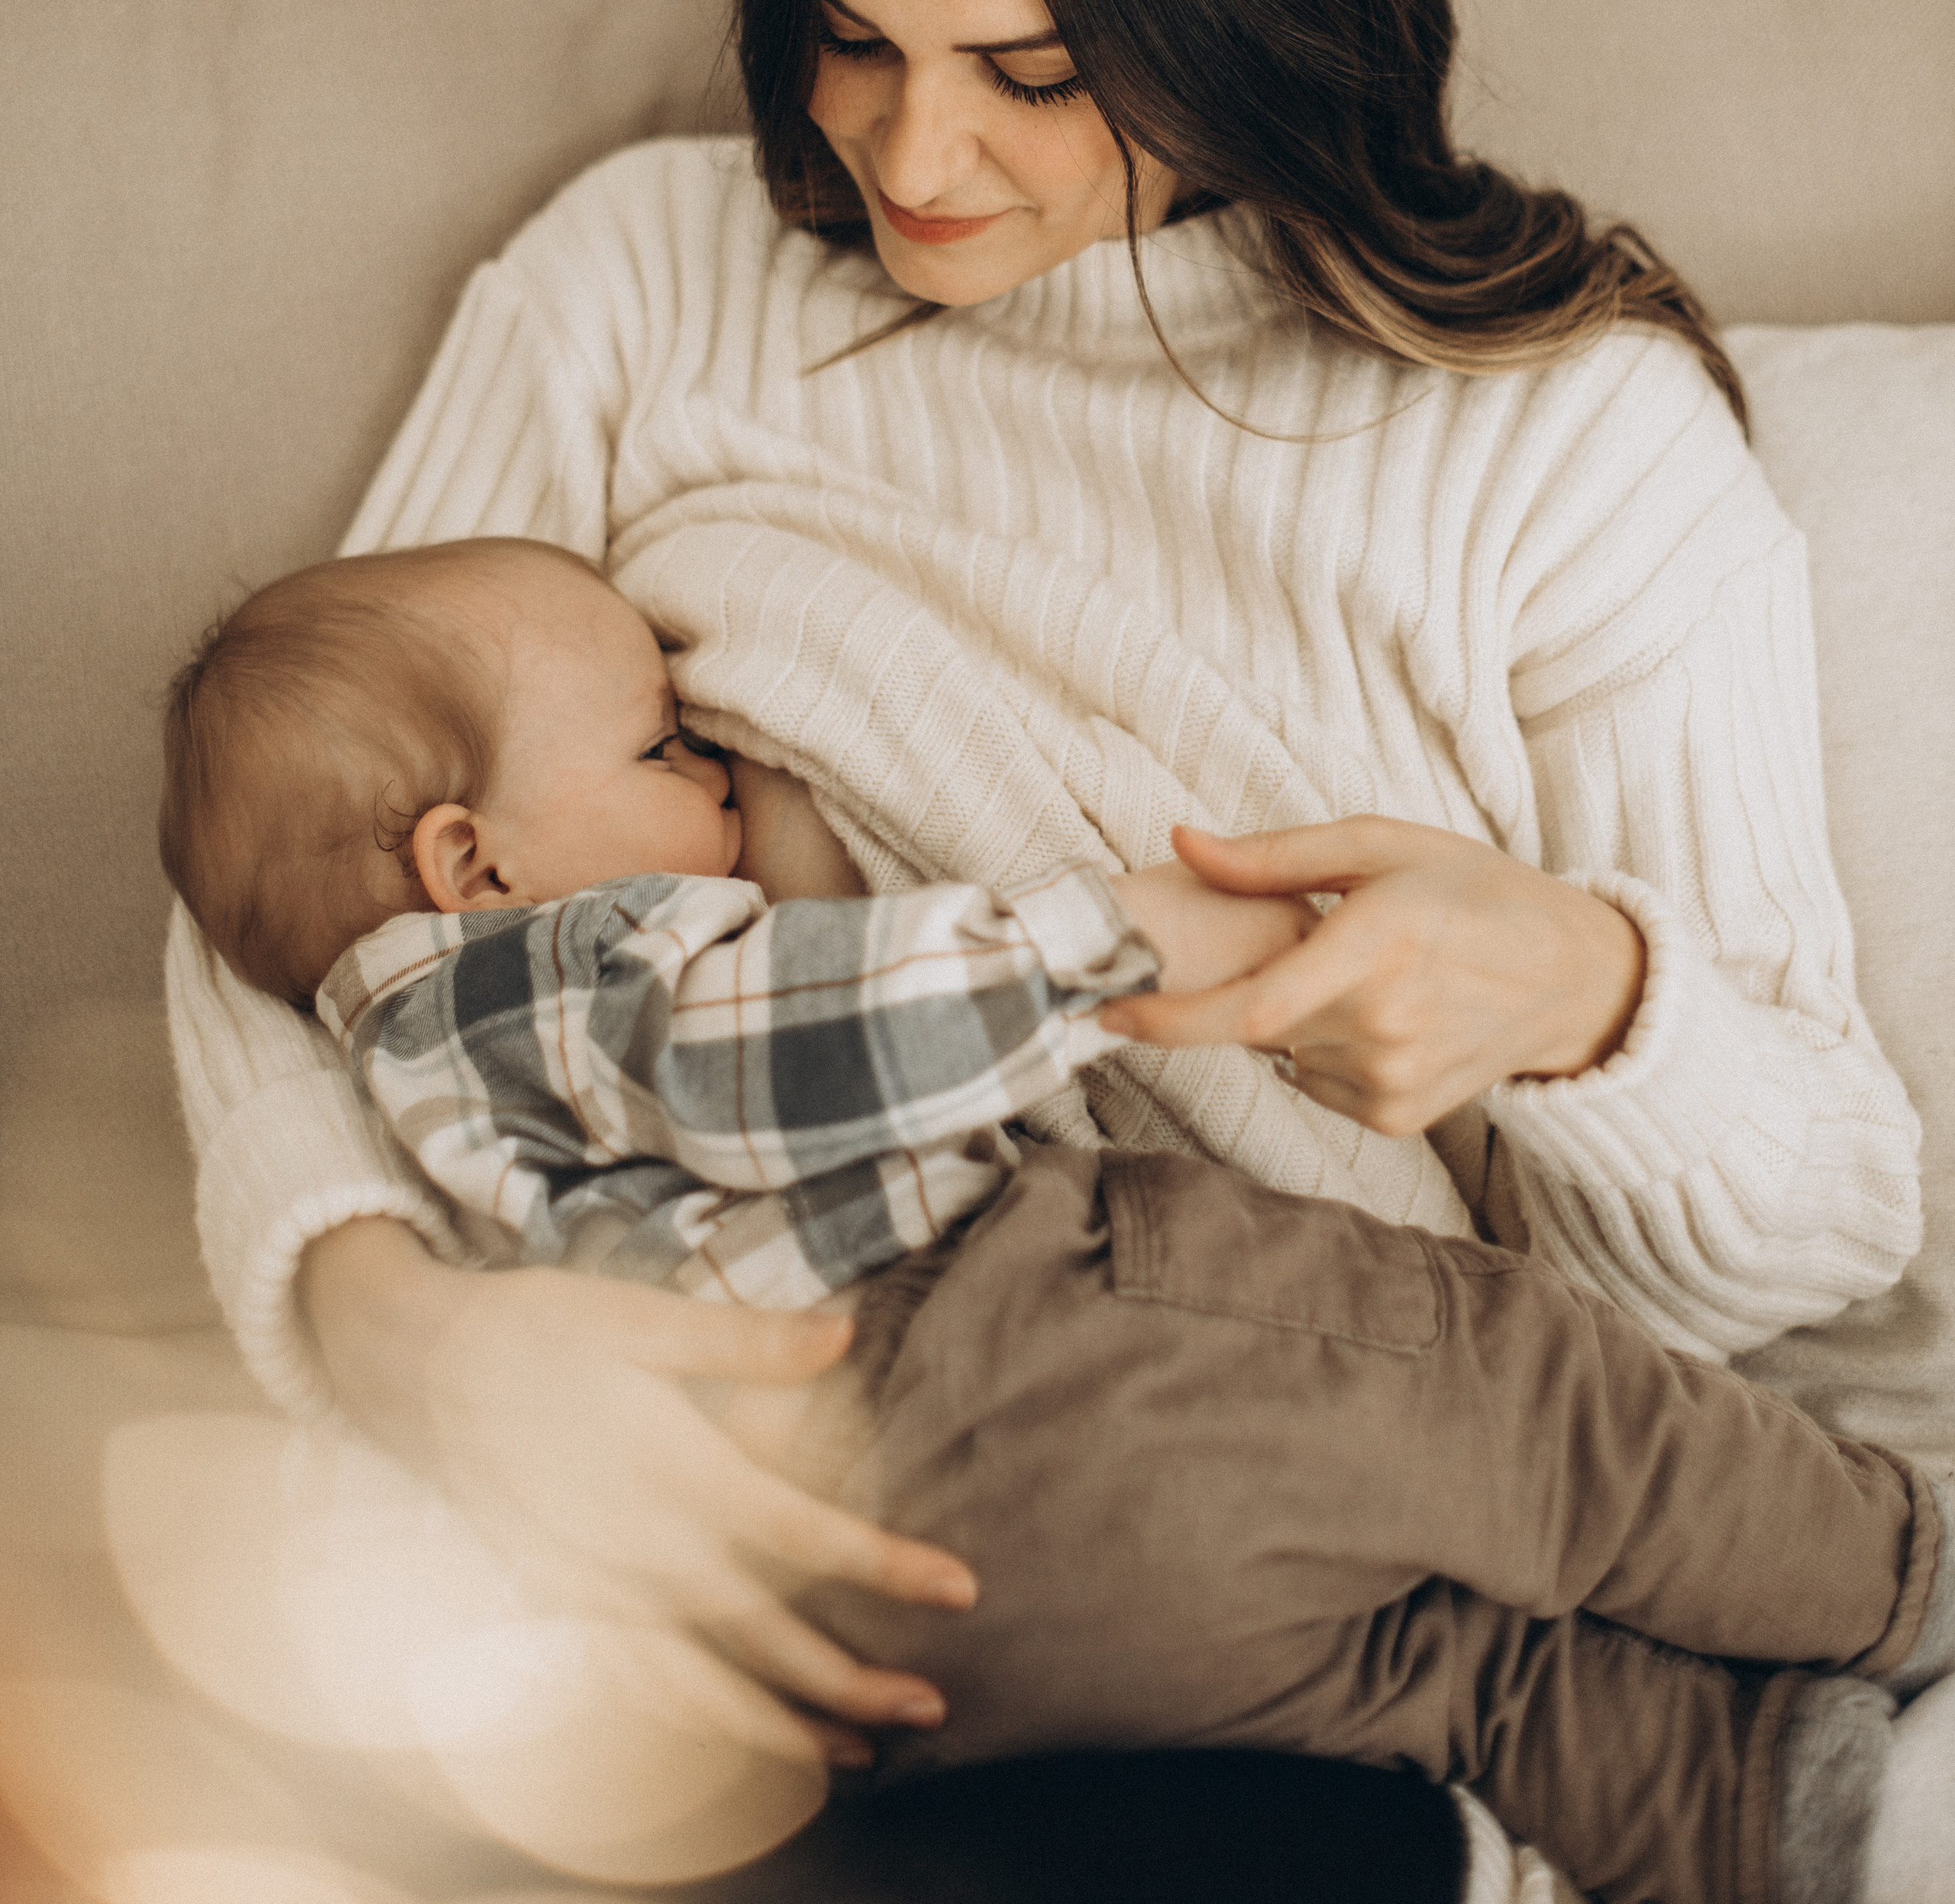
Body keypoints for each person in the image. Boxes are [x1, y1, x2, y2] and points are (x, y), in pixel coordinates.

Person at [163, 0, 1922, 1852]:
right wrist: (411, 1338)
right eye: (848, 38)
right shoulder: (644, 284)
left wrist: (1579, 996)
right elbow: (305, 872)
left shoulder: (1561, 444)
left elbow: (1820, 1225)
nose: (915, 154)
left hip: (1262, 1510)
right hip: (692, 1461)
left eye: (1035, 69)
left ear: (1238, 13)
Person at [157, 531, 1955, 1904]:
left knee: (1430, 1679)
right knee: (1512, 1393)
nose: (711, 769)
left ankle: (1763, 1813)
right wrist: (1109, 940)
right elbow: (776, 1049)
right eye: (660, 742)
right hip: (1009, 1370)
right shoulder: (556, 972)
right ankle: (1896, 1576)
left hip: (907, 1628)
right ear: (471, 862)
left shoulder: (409, 1097)